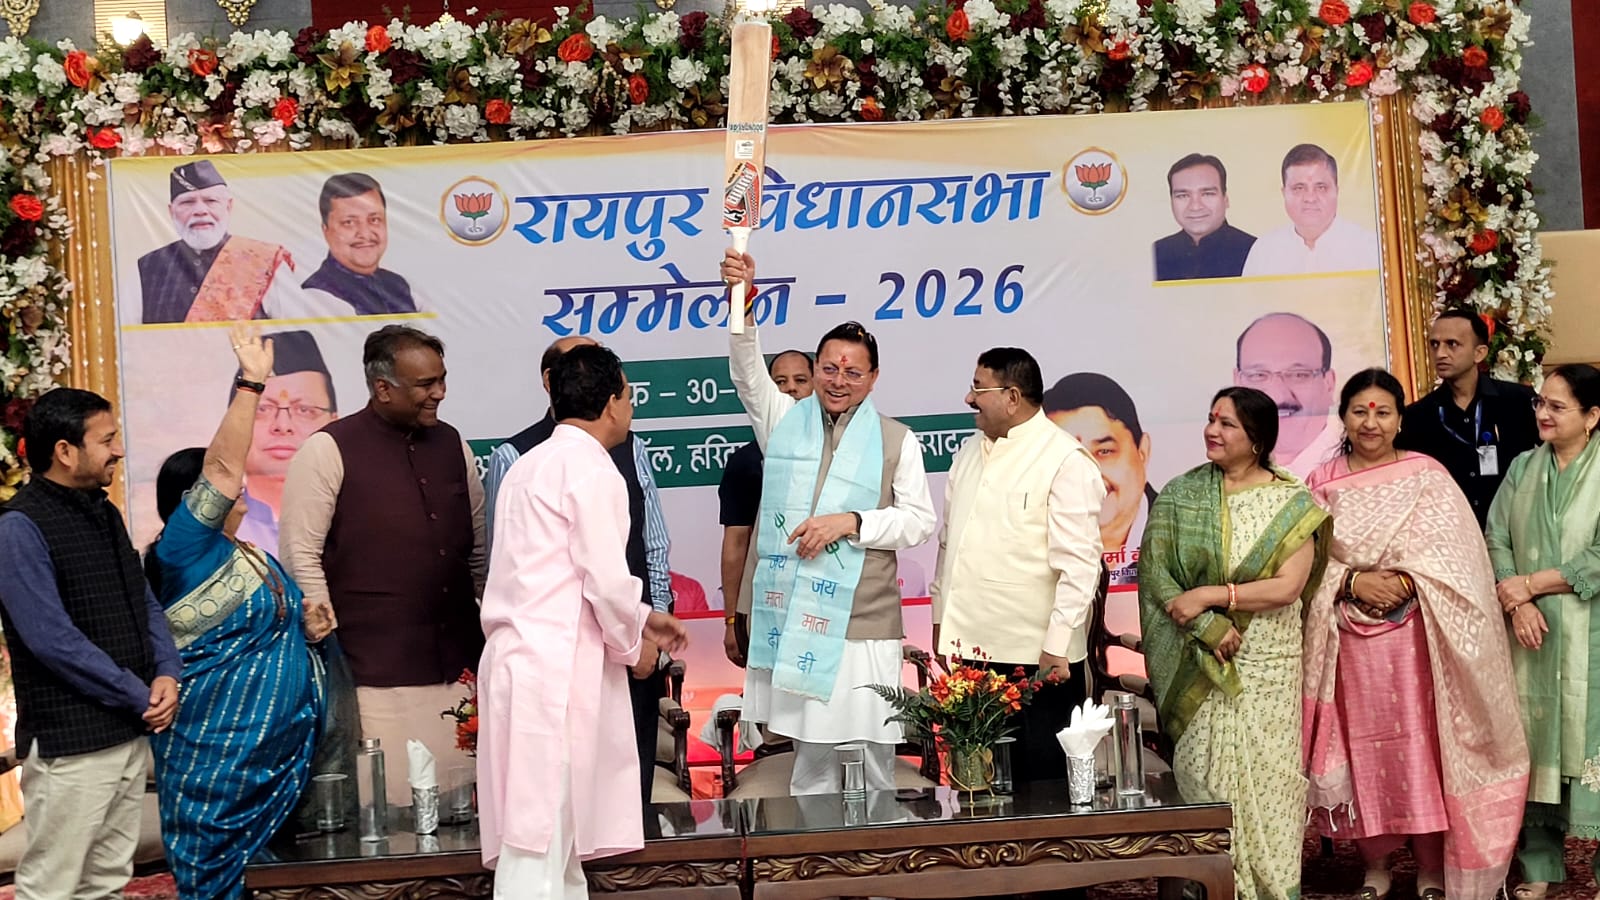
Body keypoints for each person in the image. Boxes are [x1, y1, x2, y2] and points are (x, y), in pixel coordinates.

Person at [1301, 368, 1527, 900]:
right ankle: (1375, 866)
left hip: (1419, 642)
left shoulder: (1427, 476)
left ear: (1400, 419)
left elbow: (1458, 559)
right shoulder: (1319, 483)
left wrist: (1406, 580)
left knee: (1422, 749)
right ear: (1343, 418)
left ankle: (1430, 869)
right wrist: (1352, 581)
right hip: (1347, 642)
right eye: (1360, 411)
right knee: (1365, 751)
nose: (1371, 422)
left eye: (1383, 412)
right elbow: (1303, 563)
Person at [476, 343, 690, 899]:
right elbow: (605, 581)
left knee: (552, 844)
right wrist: (637, 642)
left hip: (523, 662)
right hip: (555, 674)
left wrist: (643, 619)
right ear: (613, 402)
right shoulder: (592, 469)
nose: (631, 408)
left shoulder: (528, 465)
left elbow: (562, 576)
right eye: (629, 397)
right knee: (539, 844)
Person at [722, 248, 937, 796]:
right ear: (816, 370)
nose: (839, 381)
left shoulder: (898, 439)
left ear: (873, 378)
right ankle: (815, 850)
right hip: (798, 617)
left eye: (853, 372)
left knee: (871, 755)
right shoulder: (784, 421)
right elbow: (747, 373)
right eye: (830, 369)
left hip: (864, 622)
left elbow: (919, 521)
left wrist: (851, 522)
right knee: (813, 760)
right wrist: (741, 300)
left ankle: (877, 850)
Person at [144, 326, 321, 900]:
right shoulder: (182, 549)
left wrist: (307, 625)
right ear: (190, 504)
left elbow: (274, 629)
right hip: (217, 765)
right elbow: (220, 468)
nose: (239, 491)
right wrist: (251, 384)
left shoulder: (249, 554)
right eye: (228, 489)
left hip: (280, 763)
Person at [279, 324, 486, 806]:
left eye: (442, 379)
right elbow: (300, 555)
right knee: (392, 810)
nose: (439, 392)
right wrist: (326, 641)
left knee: (465, 810)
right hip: (374, 675)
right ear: (382, 387)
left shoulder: (453, 444)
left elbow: (478, 548)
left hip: (461, 667)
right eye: (425, 384)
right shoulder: (328, 449)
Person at [1138, 386, 1329, 900]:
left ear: (1257, 439)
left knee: (1271, 784)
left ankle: (1270, 890)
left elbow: (1287, 587)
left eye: (1227, 424)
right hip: (1200, 663)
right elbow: (1157, 578)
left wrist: (1213, 595)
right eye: (1211, 419)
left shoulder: (1291, 502)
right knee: (1203, 776)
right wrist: (1208, 625)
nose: (1212, 431)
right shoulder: (1180, 496)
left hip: (1267, 664)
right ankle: (1210, 887)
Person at [0, 388, 182, 898]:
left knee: (106, 883)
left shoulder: (104, 511)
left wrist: (167, 672)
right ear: (65, 451)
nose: (118, 451)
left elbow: (143, 602)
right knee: (51, 886)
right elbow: (51, 640)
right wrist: (137, 693)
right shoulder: (19, 527)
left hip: (127, 730)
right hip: (71, 744)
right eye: (106, 440)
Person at [929, 348, 1104, 784]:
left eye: (978, 388)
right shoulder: (969, 452)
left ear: (1012, 396)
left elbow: (1080, 565)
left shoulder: (1064, 459)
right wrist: (941, 619)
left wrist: (1057, 644)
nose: (969, 398)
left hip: (1039, 660)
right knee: (979, 784)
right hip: (973, 653)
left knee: (1042, 786)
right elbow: (951, 544)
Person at [1485, 363, 1600, 900]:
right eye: (1540, 403)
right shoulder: (1523, 468)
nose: (1543, 414)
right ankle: (1539, 865)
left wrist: (1531, 584)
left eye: (1557, 406)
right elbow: (1496, 538)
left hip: (1591, 633)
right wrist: (1517, 602)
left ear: (1592, 416)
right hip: (1529, 635)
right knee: (1535, 746)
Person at [1397, 309, 1538, 528]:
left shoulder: (1518, 401)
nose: (1440, 353)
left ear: (1479, 353)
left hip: (1514, 527)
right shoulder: (1417, 415)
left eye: (1452, 344)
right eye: (1434, 344)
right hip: (1450, 532)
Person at [720, 349, 814, 667]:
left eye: (800, 380)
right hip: (767, 603)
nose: (791, 389)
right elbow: (736, 543)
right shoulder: (745, 462)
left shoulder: (843, 451)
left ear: (817, 385)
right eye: (780, 382)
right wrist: (732, 621)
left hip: (822, 603)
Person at [137, 160, 306, 324]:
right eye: (187, 202)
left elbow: (296, 334)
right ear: (171, 211)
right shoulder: (145, 268)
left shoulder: (266, 261)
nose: (200, 211)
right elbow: (128, 334)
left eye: (211, 201)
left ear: (228, 206)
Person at [1042, 373, 1155, 587]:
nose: (1087, 474)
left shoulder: (1182, 529)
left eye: (1104, 451)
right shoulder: (1028, 535)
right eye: (1065, 456)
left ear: (1143, 452)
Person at [232, 330, 338, 555]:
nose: (282, 425)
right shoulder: (212, 530)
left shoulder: (362, 517)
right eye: (262, 409)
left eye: (304, 410)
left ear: (334, 423)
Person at [1241, 143, 1380, 277]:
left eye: (1321, 187)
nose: (1310, 198)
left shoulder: (1370, 248)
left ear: (1336, 191)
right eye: (1299, 188)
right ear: (1284, 193)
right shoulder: (1264, 251)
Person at [1234, 312, 1343, 478]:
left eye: (1298, 374)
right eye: (1258, 375)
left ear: (1329, 384)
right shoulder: (1212, 476)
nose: (1278, 396)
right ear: (1237, 383)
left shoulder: (1359, 468)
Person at [300, 173, 421, 317]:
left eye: (374, 220)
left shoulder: (399, 286)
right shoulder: (316, 296)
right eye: (349, 222)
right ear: (326, 231)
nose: (365, 234)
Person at [1152, 154, 1256, 282]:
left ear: (1225, 199)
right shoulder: (1155, 254)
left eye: (1207, 194)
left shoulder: (1256, 251)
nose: (1195, 206)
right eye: (1183, 196)